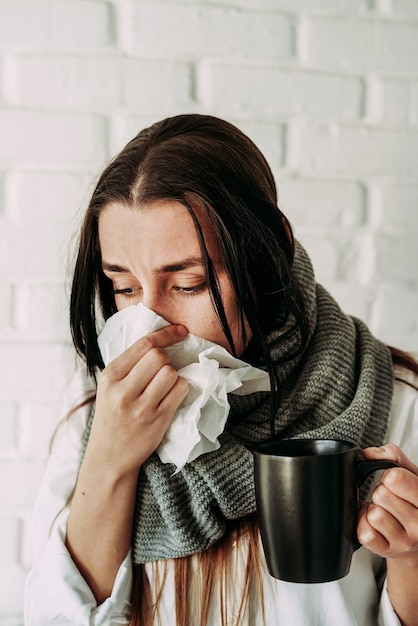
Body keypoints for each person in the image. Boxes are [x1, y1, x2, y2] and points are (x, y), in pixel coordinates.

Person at [24, 114, 418, 626]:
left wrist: (410, 558)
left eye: (188, 283)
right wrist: (109, 461)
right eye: (123, 288)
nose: (148, 323)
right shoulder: (98, 405)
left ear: (268, 252)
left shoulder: (393, 396)